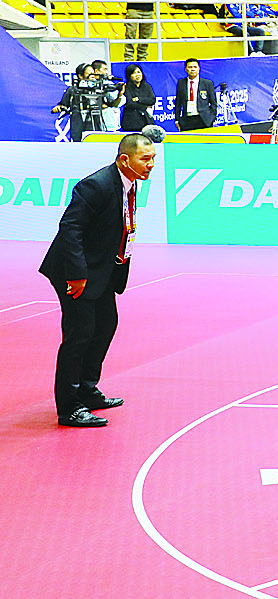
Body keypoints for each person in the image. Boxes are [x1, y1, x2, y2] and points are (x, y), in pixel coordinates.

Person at [39, 133, 158, 427]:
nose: (151, 164)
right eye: (145, 159)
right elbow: (70, 228)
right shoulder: (97, 185)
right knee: (80, 334)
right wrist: (77, 275)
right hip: (74, 271)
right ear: (124, 160)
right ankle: (69, 407)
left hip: (100, 269)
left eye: (153, 158)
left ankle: (87, 389)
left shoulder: (129, 183)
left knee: (105, 324)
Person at [173, 58, 218, 131]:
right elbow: (178, 102)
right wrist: (177, 119)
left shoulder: (207, 83)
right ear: (186, 69)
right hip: (186, 119)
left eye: (195, 67)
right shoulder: (181, 83)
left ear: (199, 68)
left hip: (203, 119)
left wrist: (211, 118)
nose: (193, 69)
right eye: (190, 67)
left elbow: (213, 103)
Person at [119, 64, 156, 132]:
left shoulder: (147, 86)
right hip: (131, 122)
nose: (137, 75)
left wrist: (138, 99)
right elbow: (130, 103)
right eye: (134, 73)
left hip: (146, 121)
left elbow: (152, 100)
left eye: (139, 72)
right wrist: (145, 106)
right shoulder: (126, 87)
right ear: (129, 75)